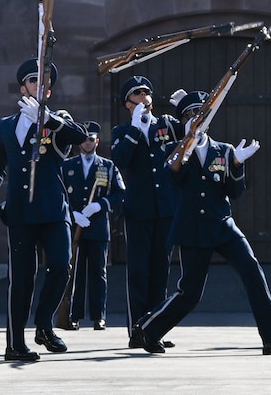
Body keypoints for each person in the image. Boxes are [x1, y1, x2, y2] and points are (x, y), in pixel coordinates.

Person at [136, 90, 271, 356]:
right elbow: (172, 181)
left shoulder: (224, 150)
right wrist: (187, 147)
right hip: (192, 228)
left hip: (223, 225)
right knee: (190, 293)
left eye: (201, 114)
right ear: (182, 121)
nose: (196, 118)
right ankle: (149, 328)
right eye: (190, 115)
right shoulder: (175, 152)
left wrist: (238, 164)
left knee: (253, 272)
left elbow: (235, 192)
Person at [0, 58, 86, 362]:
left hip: (52, 210)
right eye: (32, 82)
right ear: (22, 87)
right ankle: (15, 343)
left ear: (48, 92)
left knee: (60, 267)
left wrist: (49, 121)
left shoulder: (58, 119)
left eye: (43, 84)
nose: (37, 87)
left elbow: (79, 137)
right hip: (21, 213)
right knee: (22, 279)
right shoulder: (6, 125)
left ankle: (43, 324)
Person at [109, 75, 180, 350]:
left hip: (165, 209)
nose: (144, 98)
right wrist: (136, 129)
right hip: (138, 211)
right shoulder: (122, 132)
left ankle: (156, 327)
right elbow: (121, 159)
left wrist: (187, 105)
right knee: (139, 272)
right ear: (128, 103)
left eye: (147, 93)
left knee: (160, 271)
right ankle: (137, 330)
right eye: (137, 94)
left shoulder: (166, 125)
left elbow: (193, 130)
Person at [65, 120, 116, 331]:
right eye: (85, 140)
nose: (88, 144)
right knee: (75, 272)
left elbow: (120, 194)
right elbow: (58, 194)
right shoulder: (67, 165)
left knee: (98, 273)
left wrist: (100, 205)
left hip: (97, 228)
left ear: (97, 141)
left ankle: (99, 316)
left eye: (91, 140)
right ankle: (73, 315)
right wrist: (72, 213)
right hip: (75, 227)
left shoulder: (107, 166)